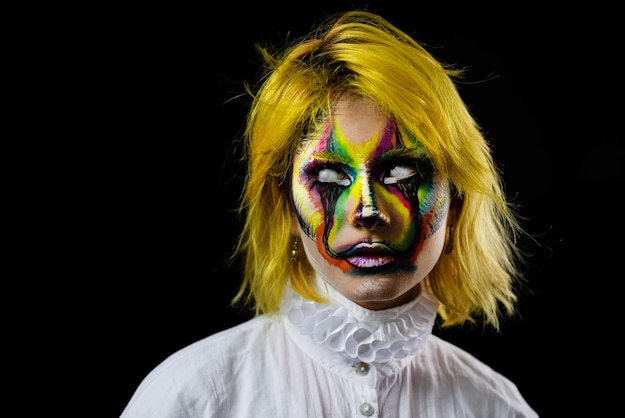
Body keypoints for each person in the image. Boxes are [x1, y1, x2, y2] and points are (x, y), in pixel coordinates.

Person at [121, 10, 538, 417]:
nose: (367, 211)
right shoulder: (194, 396)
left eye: (401, 171)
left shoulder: (494, 406)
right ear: (285, 206)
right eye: (329, 176)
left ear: (458, 198)